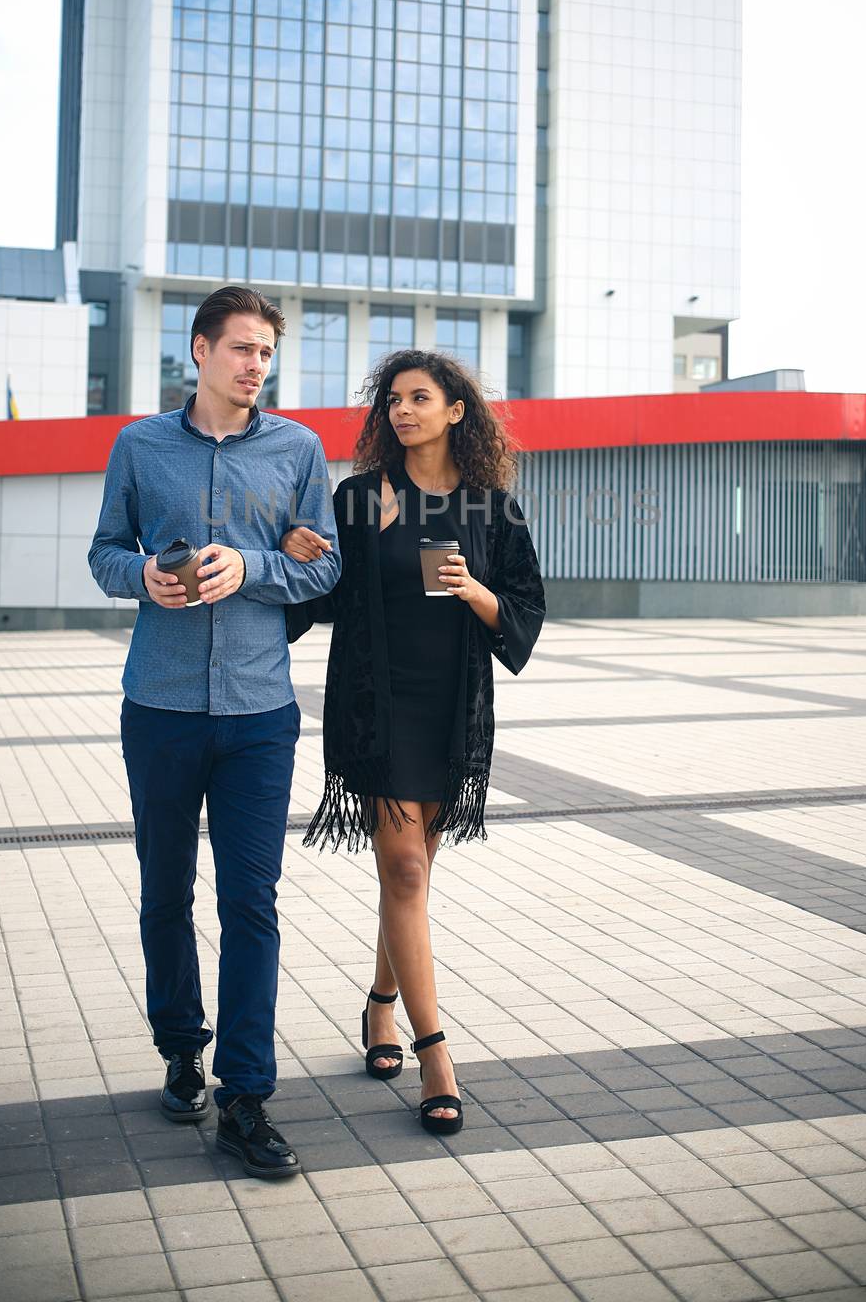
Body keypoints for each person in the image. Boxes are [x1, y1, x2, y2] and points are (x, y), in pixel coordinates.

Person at [88, 285, 340, 1178]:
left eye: (265, 352)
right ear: (198, 351)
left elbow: (325, 564)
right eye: (239, 348)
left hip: (260, 715)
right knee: (165, 891)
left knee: (251, 904)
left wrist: (258, 564)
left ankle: (245, 1096)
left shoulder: (299, 449)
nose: (254, 365)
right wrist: (142, 576)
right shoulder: (139, 445)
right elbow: (103, 550)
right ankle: (179, 1047)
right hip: (158, 706)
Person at [282, 350, 545, 1134]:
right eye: (392, 400)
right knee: (401, 867)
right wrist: (304, 553)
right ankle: (436, 1056)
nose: (401, 410)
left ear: (455, 411)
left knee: (411, 879)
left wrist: (473, 591)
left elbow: (525, 610)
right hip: (378, 703)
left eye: (418, 398)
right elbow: (327, 596)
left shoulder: (490, 508)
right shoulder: (360, 499)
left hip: (450, 707)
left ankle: (379, 1006)